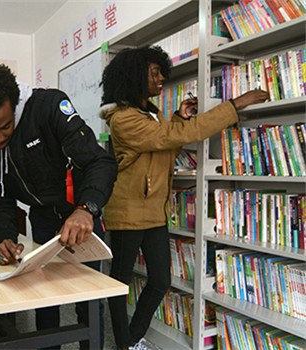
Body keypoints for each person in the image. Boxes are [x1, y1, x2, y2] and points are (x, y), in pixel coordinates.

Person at [99, 46, 270, 350]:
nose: (161, 77)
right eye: (155, 72)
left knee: (160, 281)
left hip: (154, 210)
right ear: (136, 75)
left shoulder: (150, 114)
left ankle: (132, 337)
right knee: (118, 283)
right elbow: (173, 137)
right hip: (127, 211)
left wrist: (178, 116)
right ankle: (124, 344)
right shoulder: (123, 119)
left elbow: (167, 145)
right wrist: (234, 105)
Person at [0, 62, 117, 349]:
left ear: (15, 104)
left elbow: (99, 161)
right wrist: (6, 236)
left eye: (5, 126)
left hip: (79, 214)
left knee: (88, 299)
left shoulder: (49, 106)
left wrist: (86, 208)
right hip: (43, 218)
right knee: (44, 294)